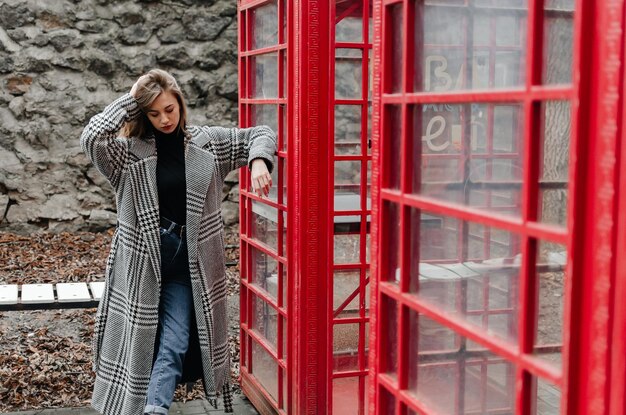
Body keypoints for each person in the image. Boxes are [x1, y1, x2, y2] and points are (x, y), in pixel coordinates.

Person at [80, 68, 277, 415]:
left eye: (169, 109)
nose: (164, 119)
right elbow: (92, 136)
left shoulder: (209, 144)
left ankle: (155, 408)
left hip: (191, 261)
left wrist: (259, 160)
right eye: (154, 113)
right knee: (138, 346)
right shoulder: (127, 154)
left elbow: (260, 133)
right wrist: (134, 97)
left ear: (181, 104)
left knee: (176, 340)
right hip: (146, 261)